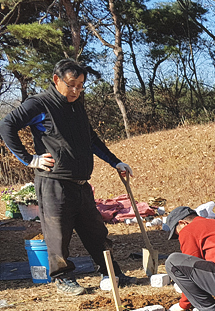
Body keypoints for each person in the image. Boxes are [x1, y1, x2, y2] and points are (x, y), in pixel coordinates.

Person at [0, 59, 133, 295]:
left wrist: (115, 162)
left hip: (81, 183)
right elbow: (6, 125)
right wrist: (29, 159)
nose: (76, 91)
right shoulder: (39, 104)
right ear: (56, 80)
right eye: (71, 85)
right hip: (54, 182)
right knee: (58, 234)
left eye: (81, 85)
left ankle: (111, 272)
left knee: (96, 231)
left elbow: (90, 138)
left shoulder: (76, 105)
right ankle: (62, 278)